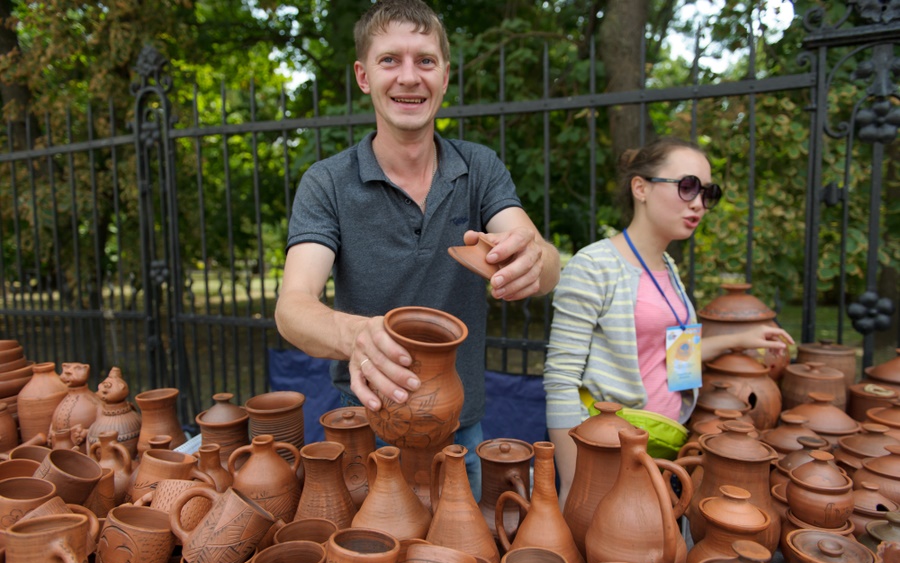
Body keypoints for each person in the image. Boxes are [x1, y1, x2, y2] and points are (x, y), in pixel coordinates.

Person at [274, 0, 560, 499]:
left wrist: (534, 263)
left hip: (459, 431)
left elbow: (542, 256)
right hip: (362, 427)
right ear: (364, 77)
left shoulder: (481, 168)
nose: (410, 77)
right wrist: (357, 334)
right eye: (390, 60)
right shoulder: (327, 182)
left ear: (445, 76)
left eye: (425, 61)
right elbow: (292, 308)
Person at [543, 137, 794, 506]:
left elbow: (674, 355)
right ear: (640, 188)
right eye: (687, 186)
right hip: (609, 455)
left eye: (708, 192)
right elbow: (560, 381)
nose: (698, 203)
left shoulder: (669, 268)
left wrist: (743, 337)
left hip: (663, 449)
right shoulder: (594, 265)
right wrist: (574, 484)